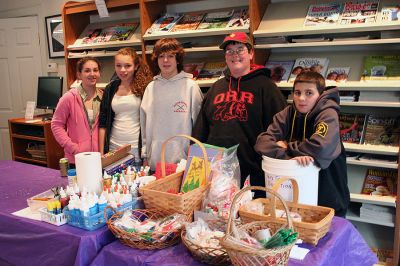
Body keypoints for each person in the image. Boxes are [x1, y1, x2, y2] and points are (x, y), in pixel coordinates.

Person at [192, 32, 286, 190]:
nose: (234, 55)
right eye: (229, 51)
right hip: (217, 175)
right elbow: (201, 130)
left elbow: (280, 130)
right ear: (225, 57)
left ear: (251, 53)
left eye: (240, 49)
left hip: (254, 174)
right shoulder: (216, 87)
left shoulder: (267, 87)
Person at [254, 71, 350, 217]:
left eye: (309, 93)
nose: (301, 98)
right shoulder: (287, 114)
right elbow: (262, 142)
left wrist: (288, 147)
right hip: (297, 197)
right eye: (297, 93)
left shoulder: (328, 113)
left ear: (320, 94)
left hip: (329, 197)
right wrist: (286, 157)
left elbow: (320, 148)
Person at [140, 38, 203, 170]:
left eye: (170, 56)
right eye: (161, 56)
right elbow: (144, 125)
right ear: (156, 60)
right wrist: (145, 156)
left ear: (178, 59)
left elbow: (199, 127)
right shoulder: (151, 88)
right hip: (155, 161)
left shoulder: (190, 87)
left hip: (183, 163)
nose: (165, 60)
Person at [99, 47, 153, 159]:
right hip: (113, 148)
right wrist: (101, 153)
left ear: (136, 66)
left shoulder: (146, 88)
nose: (122, 70)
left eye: (127, 66)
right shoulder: (110, 88)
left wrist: (147, 153)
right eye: (118, 65)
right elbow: (103, 123)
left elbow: (152, 122)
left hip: (136, 149)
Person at [51, 57, 103, 165]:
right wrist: (73, 148)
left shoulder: (104, 97)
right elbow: (56, 125)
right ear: (79, 75)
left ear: (99, 73)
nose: (92, 74)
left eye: (95, 70)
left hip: (98, 158)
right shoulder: (69, 98)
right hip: (77, 159)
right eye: (87, 70)